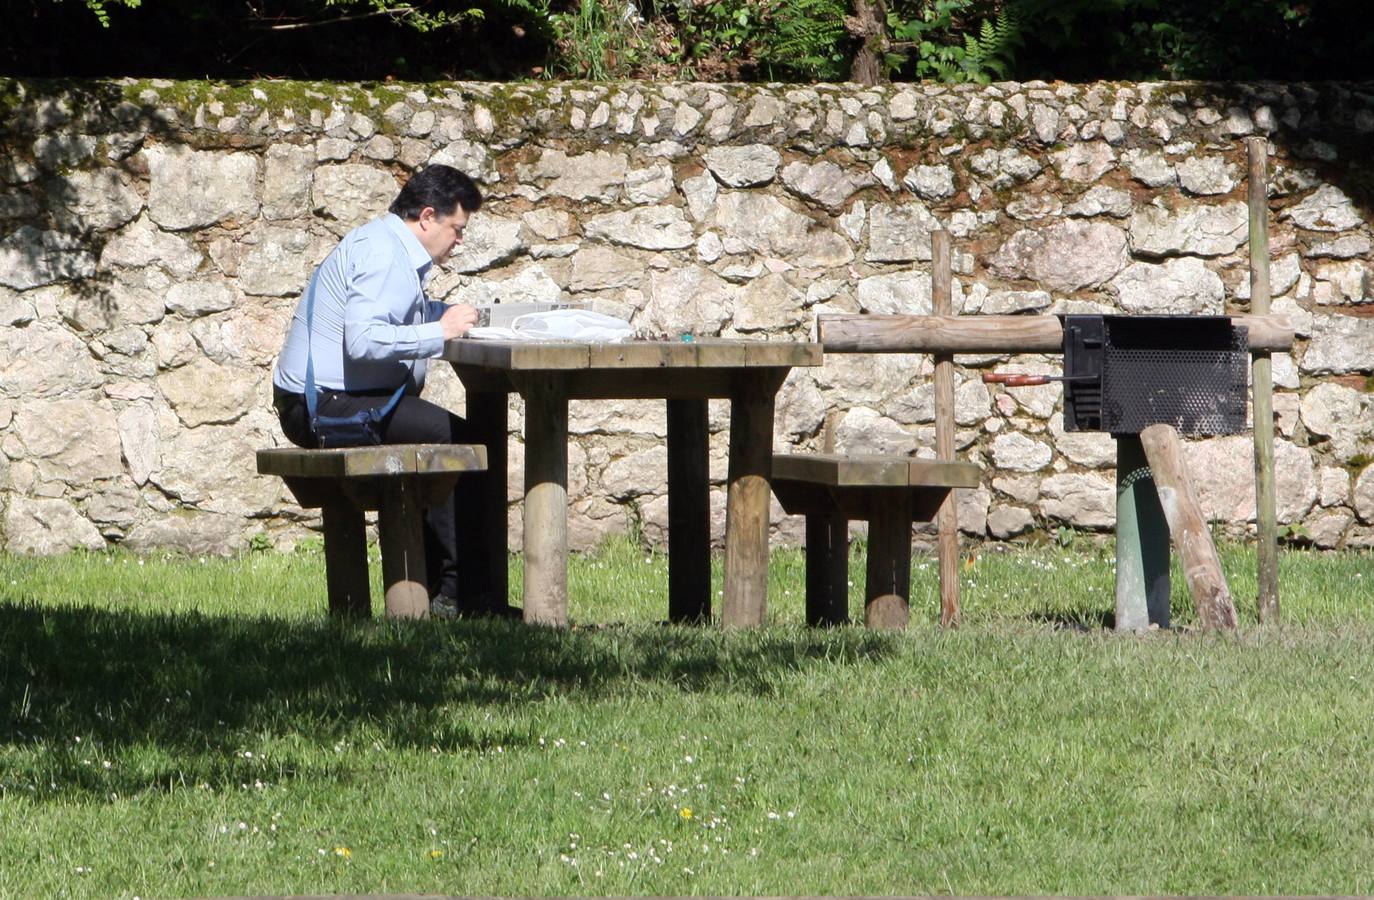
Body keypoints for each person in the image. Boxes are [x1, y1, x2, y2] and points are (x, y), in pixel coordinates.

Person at [271, 164, 515, 619]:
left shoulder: (387, 247)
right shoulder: (384, 255)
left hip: (333, 399)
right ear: (427, 217)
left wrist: (447, 317)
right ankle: (463, 595)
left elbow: (394, 318)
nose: (459, 241)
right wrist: (440, 331)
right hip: (320, 406)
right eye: (456, 229)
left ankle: (460, 590)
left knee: (456, 437)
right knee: (461, 442)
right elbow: (363, 340)